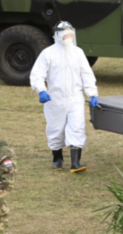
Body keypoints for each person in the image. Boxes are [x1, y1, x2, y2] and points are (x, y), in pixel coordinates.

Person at [30, 21, 99, 173]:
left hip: (75, 97)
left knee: (77, 127)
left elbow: (87, 74)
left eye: (70, 33)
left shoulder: (78, 52)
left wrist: (92, 93)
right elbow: (37, 74)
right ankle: (57, 159)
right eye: (65, 33)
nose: (68, 36)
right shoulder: (48, 53)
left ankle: (75, 163)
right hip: (55, 99)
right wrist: (41, 90)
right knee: (56, 129)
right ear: (57, 34)